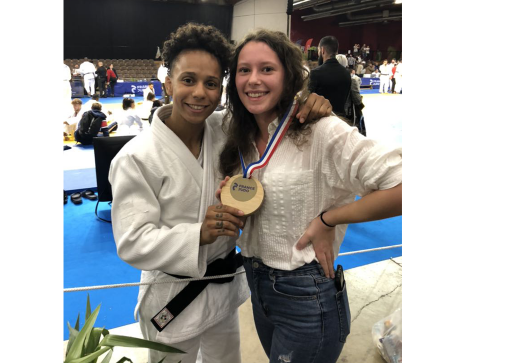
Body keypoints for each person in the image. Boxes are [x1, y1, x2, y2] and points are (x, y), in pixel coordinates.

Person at [108, 23, 333, 363]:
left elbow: (270, 115)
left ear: (221, 89)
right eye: (188, 80)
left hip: (223, 289)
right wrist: (198, 234)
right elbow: (132, 241)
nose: (200, 92)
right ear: (168, 83)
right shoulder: (136, 158)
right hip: (174, 296)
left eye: (211, 83)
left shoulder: (224, 129)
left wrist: (306, 102)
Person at [218, 29, 402, 363]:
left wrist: (329, 219)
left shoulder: (321, 131)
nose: (253, 80)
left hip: (307, 296)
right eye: (244, 70)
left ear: (288, 76)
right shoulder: (238, 134)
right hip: (256, 285)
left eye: (267, 69)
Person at [308, 36, 352, 117]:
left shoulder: (315, 73)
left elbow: (308, 101)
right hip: (342, 120)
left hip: (322, 122)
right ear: (336, 51)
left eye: (318, 51)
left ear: (322, 50)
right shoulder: (346, 73)